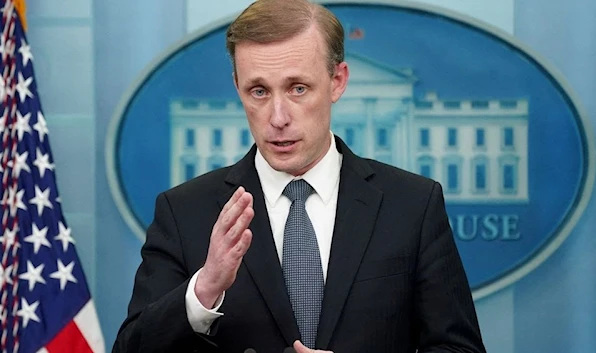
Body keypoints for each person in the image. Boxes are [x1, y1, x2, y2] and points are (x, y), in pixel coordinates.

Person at [113, 0, 486, 352]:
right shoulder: (185, 212)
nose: (278, 117)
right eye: (258, 91)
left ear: (337, 81)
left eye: (298, 88)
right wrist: (204, 290)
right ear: (237, 88)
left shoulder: (412, 205)